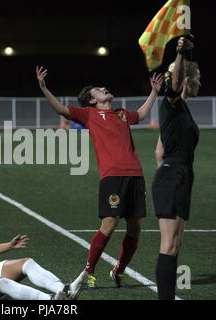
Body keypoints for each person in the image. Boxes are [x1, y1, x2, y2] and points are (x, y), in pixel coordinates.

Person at [36, 66, 163, 293]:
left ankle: (119, 270)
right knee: (110, 222)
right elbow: (61, 109)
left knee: (135, 227)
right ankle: (90, 271)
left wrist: (154, 91)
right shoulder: (90, 115)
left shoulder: (122, 114)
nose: (104, 89)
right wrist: (44, 88)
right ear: (92, 100)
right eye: (98, 90)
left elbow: (141, 115)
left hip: (135, 175)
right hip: (112, 176)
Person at [152, 36, 201, 300]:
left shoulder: (180, 110)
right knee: (168, 245)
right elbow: (173, 83)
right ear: (185, 79)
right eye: (198, 78)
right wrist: (180, 53)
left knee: (175, 245)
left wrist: (168, 170)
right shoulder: (170, 102)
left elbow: (158, 151)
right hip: (174, 175)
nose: (200, 83)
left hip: (179, 175)